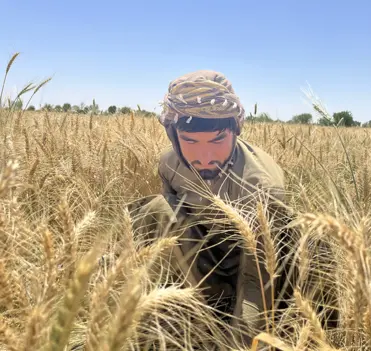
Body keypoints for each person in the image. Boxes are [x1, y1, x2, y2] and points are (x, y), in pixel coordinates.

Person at [127, 70, 337, 347]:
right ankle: (176, 310)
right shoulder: (169, 163)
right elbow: (172, 222)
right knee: (153, 209)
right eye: (190, 141)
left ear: (235, 130)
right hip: (205, 253)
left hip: (260, 262)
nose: (204, 157)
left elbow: (257, 276)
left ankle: (329, 334)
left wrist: (239, 342)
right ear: (173, 135)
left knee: (315, 237)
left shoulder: (261, 184)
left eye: (217, 140)